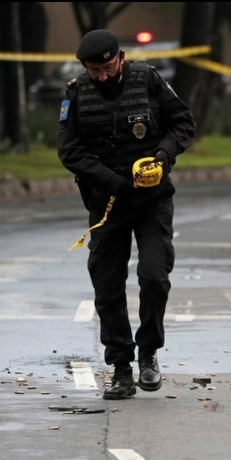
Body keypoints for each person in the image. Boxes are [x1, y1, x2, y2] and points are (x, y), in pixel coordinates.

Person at [58, 29, 196, 400]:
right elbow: (69, 151)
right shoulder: (76, 93)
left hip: (153, 201)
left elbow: (183, 123)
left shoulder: (148, 80)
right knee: (107, 287)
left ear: (120, 58)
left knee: (154, 276)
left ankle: (148, 352)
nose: (101, 77)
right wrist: (112, 181)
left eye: (107, 68)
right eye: (93, 70)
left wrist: (164, 155)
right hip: (107, 204)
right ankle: (120, 368)